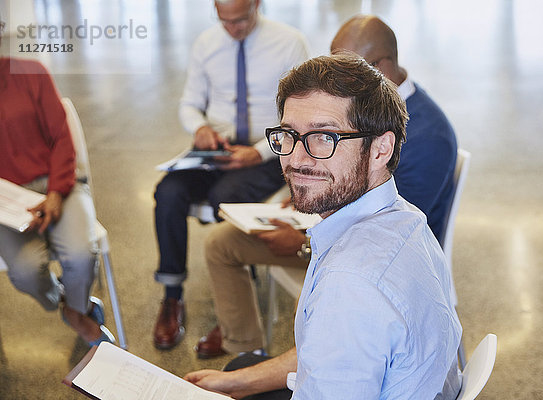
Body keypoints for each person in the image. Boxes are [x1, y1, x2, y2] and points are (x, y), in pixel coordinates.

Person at [184, 53, 462, 399]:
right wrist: (237, 384)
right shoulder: (405, 218)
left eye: (324, 137)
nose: (297, 160)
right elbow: (334, 355)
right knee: (238, 371)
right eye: (289, 135)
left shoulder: (349, 287)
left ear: (380, 149)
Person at [152, 0, 309, 350]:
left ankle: (239, 309)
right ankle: (172, 294)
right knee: (168, 193)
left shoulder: (289, 43)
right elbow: (190, 103)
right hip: (218, 147)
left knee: (226, 196)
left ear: (257, 4)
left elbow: (301, 115)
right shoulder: (207, 43)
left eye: (239, 20)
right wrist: (201, 127)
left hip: (269, 149)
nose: (232, 29)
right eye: (224, 20)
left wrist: (259, 151)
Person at [0, 53, 114, 346]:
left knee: (81, 254)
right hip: (7, 200)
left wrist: (56, 191)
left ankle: (77, 312)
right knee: (25, 272)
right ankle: (63, 298)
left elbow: (62, 137)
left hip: (57, 181)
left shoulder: (31, 72)